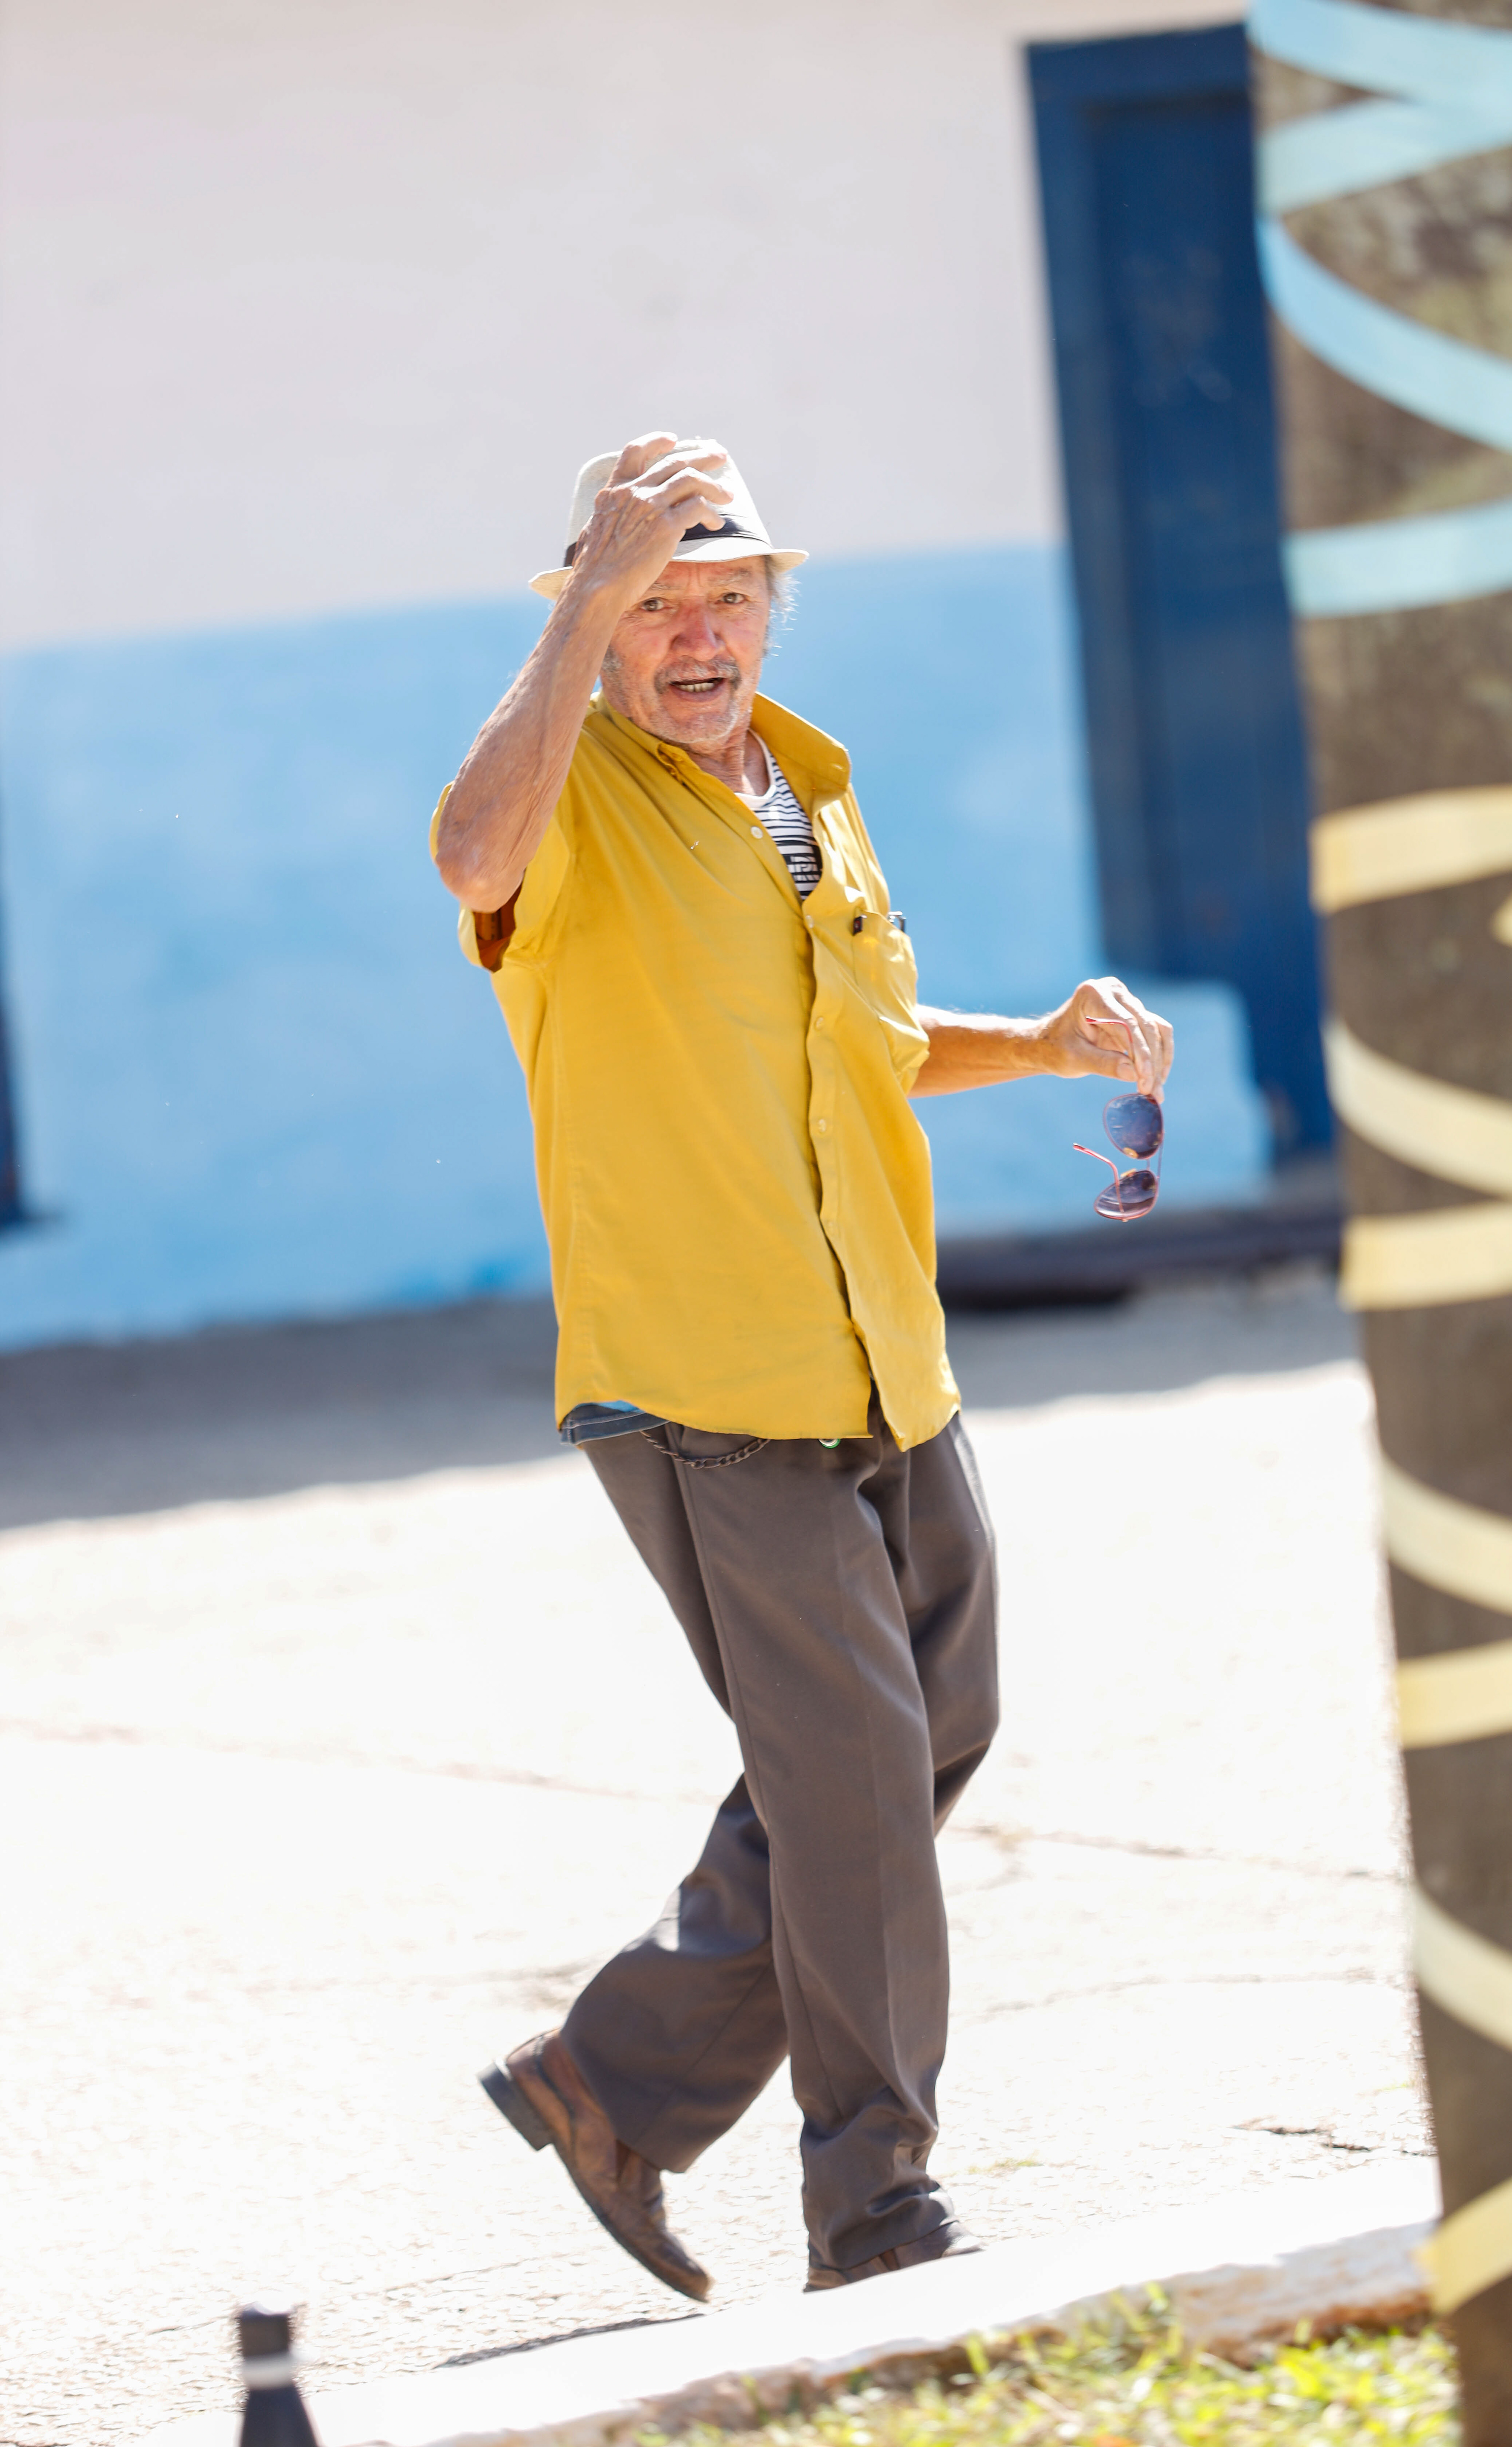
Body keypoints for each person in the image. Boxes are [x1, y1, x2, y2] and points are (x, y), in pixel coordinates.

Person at [431, 434, 1173, 2298]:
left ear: (775, 612)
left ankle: (612, 2084)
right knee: (850, 1778)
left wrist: (1043, 1043)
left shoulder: (809, 793)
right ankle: (876, 2207)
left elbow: (863, 1039)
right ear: (598, 623)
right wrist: (584, 600)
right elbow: (469, 858)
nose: (698, 635)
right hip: (705, 1370)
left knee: (928, 1730)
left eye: (729, 597)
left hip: (881, 1351)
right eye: (655, 602)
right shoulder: (566, 794)